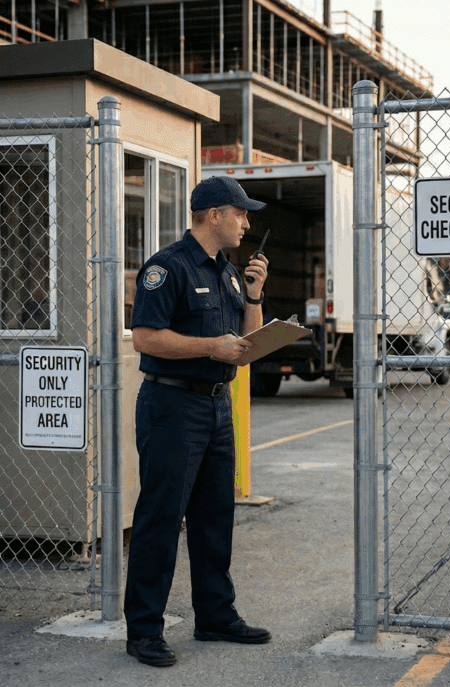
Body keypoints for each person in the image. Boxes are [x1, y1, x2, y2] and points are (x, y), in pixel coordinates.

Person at [124, 176, 271, 667]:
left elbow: (245, 348)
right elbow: (145, 337)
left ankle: (215, 616)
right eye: (241, 213)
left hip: (215, 405)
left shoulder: (229, 274)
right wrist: (211, 347)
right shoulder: (168, 268)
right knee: (161, 518)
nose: (246, 223)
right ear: (214, 215)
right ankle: (144, 631)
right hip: (172, 407)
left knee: (214, 516)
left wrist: (254, 294)